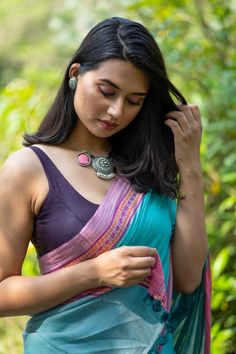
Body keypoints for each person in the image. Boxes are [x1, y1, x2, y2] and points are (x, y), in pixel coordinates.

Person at [0, 17, 211, 354]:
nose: (116, 111)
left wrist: (190, 167)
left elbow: (187, 279)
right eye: (107, 91)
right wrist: (94, 273)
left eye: (134, 100)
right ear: (75, 75)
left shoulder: (150, 169)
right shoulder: (28, 169)